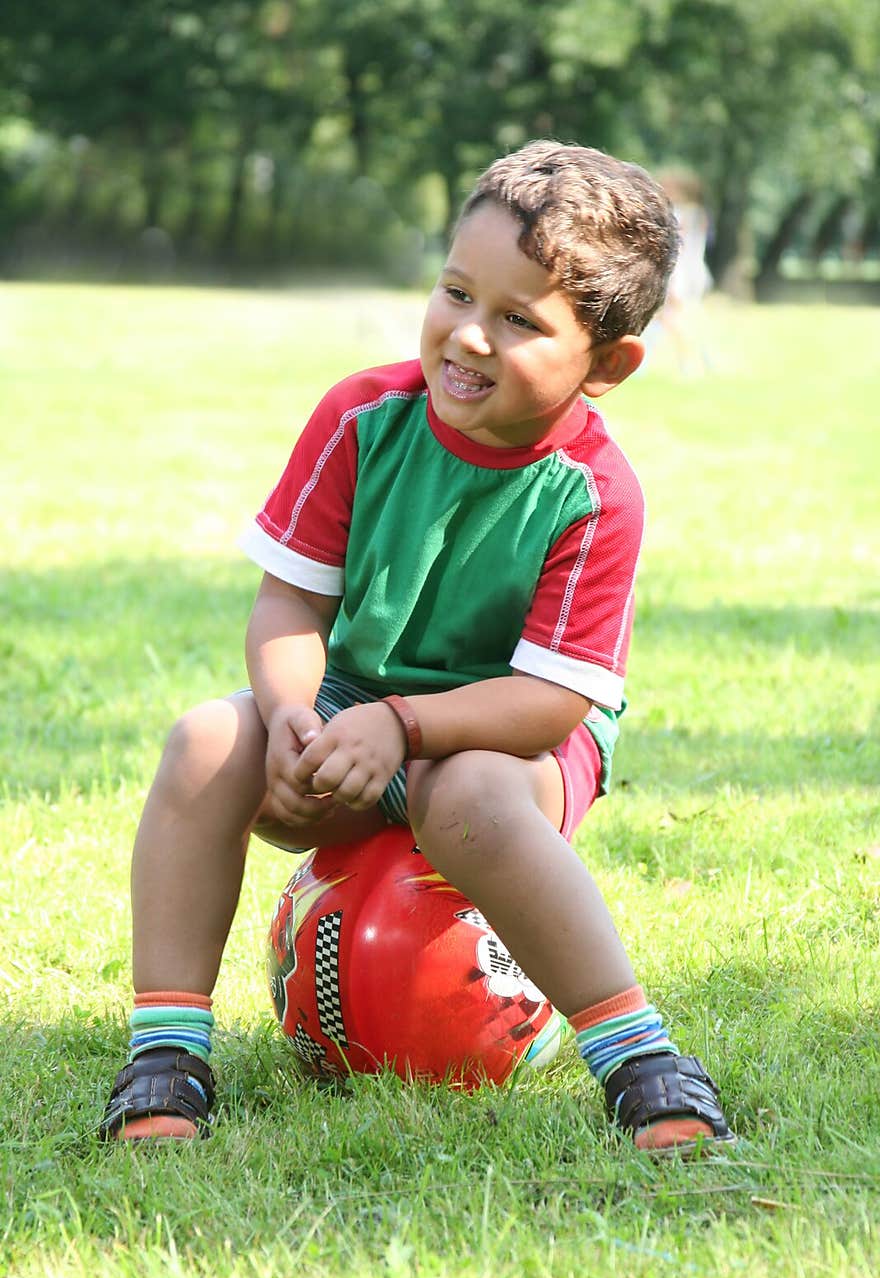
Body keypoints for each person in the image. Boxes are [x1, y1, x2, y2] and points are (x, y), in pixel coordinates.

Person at [99, 139, 735, 1155]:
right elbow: (287, 609)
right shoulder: (363, 417)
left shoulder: (594, 492)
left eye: (520, 320)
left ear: (607, 365)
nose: (469, 336)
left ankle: (641, 1061)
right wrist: (293, 717)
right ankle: (164, 1053)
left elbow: (550, 703)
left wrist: (404, 729)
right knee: (202, 741)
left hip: (508, 740)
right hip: (354, 699)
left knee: (467, 797)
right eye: (455, 292)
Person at [654, 168, 713, 376]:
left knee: (674, 319)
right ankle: (702, 360)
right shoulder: (698, 214)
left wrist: (671, 283)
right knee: (681, 318)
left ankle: (691, 363)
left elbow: (678, 250)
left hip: (682, 275)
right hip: (693, 274)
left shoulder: (680, 215)